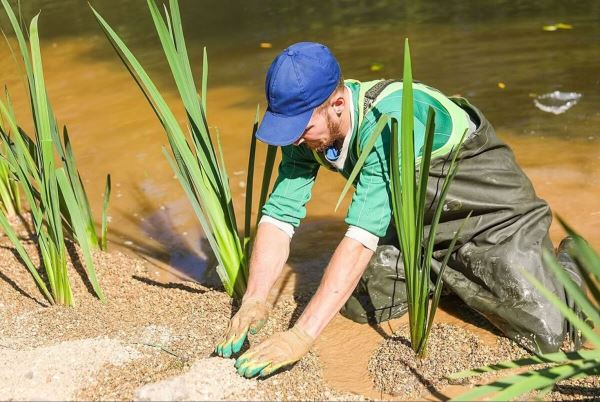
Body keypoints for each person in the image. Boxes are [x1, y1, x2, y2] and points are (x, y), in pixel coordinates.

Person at [214, 42, 580, 378]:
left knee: (545, 331)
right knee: (360, 305)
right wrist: (255, 298)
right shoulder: (305, 131)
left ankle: (570, 262)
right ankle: (448, 267)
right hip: (414, 224)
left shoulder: (390, 123)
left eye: (302, 128)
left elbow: (359, 239)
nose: (294, 139)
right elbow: (279, 216)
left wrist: (300, 336)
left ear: (337, 104)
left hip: (492, 213)